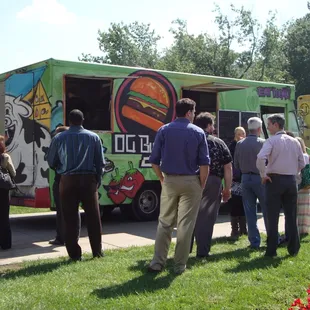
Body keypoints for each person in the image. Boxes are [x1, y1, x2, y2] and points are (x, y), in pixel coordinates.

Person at [148, 98, 210, 274]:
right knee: (186, 225)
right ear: (189, 112)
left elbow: (154, 160)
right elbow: (204, 164)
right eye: (194, 112)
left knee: (165, 222)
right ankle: (179, 265)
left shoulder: (164, 130)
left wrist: (161, 178)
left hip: (169, 180)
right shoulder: (198, 132)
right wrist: (202, 184)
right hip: (191, 181)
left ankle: (157, 262)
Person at [47, 110, 105, 261]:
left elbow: (51, 160)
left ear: (69, 121)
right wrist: (97, 179)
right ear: (83, 119)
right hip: (88, 180)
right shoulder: (94, 137)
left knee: (70, 218)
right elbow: (100, 163)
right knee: (93, 216)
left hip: (67, 181)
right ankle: (97, 252)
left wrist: (61, 170)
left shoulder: (59, 138)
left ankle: (74, 254)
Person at [257, 114, 305, 257]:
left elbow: (260, 157)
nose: (268, 126)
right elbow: (302, 163)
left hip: (274, 180)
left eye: (269, 124)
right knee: (291, 216)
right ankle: (294, 248)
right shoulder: (295, 141)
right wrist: (293, 172)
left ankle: (271, 250)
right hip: (290, 181)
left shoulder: (271, 141)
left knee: (272, 216)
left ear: (276, 125)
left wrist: (263, 174)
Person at [193, 112, 232, 258]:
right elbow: (228, 167)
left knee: (189, 214)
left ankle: (185, 249)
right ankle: (203, 251)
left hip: (192, 179)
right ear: (209, 126)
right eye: (212, 125)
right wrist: (227, 188)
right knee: (207, 217)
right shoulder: (218, 142)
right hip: (213, 181)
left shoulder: (191, 140)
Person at [234, 117, 267, 249]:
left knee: (249, 211)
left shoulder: (240, 144)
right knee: (267, 209)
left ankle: (254, 241)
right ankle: (272, 238)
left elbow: (236, 164)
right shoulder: (263, 143)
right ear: (259, 129)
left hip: (246, 178)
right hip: (260, 178)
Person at [48, 126, 69, 246]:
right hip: (76, 179)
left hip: (61, 178)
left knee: (61, 210)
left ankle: (61, 238)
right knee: (74, 209)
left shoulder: (58, 142)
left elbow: (51, 161)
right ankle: (73, 236)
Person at [227, 127, 247, 240]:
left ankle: (243, 229)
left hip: (243, 178)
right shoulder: (232, 146)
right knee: (235, 204)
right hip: (235, 179)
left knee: (244, 204)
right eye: (239, 134)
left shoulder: (245, 145)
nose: (241, 136)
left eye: (243, 133)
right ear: (235, 135)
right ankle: (234, 230)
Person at [0, 135, 16, 250]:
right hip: (3, 189)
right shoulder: (5, 157)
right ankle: (6, 244)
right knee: (4, 217)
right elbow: (13, 173)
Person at [296, 137, 310, 236]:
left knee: (298, 208)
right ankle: (304, 229)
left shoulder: (300, 156)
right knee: (305, 209)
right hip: (306, 186)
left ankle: (300, 229)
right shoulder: (306, 155)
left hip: (300, 184)